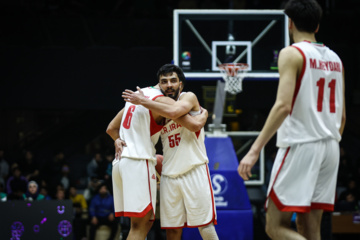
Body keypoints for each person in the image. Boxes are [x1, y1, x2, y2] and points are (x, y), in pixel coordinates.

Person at [237, 1, 346, 239]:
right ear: (317, 26)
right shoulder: (336, 59)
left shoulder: (292, 53)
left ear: (290, 24)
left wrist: (255, 150)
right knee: (309, 229)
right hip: (331, 147)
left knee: (274, 227)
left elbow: (283, 105)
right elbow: (343, 116)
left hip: (301, 144)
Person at [122, 64, 218, 240]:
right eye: (164, 82)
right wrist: (118, 140)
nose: (169, 85)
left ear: (180, 84)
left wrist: (143, 100)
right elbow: (119, 124)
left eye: (173, 81)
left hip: (194, 170)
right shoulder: (157, 106)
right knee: (172, 230)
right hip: (169, 176)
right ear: (159, 85)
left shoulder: (188, 97)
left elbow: (176, 112)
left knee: (205, 226)